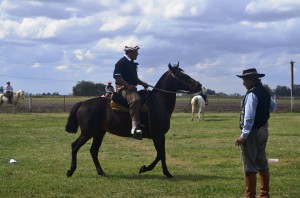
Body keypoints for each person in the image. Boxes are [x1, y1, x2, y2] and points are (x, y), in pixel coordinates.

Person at [235, 68, 276, 198]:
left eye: (244, 80)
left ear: (251, 80)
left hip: (252, 132)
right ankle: (264, 193)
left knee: (250, 165)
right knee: (262, 161)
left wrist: (243, 136)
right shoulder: (265, 91)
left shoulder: (252, 94)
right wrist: (263, 115)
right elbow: (273, 107)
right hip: (264, 130)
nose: (243, 83)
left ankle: (250, 195)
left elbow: (249, 117)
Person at [113, 45, 148, 140]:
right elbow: (117, 77)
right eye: (136, 52)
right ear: (130, 53)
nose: (137, 54)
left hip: (131, 87)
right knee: (136, 99)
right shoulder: (121, 62)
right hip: (123, 88)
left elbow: (134, 78)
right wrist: (128, 85)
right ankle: (134, 125)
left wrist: (142, 83)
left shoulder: (132, 63)